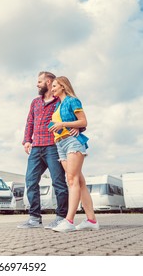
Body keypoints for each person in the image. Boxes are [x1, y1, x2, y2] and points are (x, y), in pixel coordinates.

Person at [18, 71, 77, 229]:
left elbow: (74, 115)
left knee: (58, 182)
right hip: (36, 147)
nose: (37, 84)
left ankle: (61, 217)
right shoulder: (35, 102)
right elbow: (29, 121)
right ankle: (34, 218)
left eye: (39, 81)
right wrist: (26, 140)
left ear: (49, 82)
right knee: (30, 181)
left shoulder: (61, 100)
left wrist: (80, 128)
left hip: (54, 146)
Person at [48, 76, 99, 232]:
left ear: (63, 86)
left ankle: (69, 221)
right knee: (79, 182)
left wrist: (64, 124)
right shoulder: (58, 105)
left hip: (72, 142)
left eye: (55, 85)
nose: (52, 88)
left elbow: (83, 122)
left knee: (72, 180)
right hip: (60, 144)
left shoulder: (72, 101)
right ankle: (91, 220)